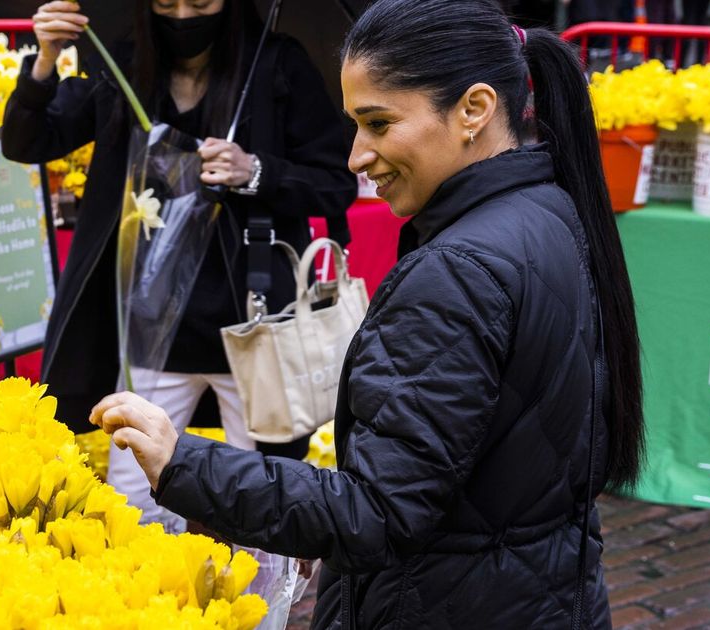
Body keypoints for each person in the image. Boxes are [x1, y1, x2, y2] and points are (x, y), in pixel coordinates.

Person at [88, 0, 646, 626]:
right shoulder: (552, 210)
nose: (356, 156)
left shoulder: (461, 270)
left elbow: (376, 512)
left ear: (474, 110)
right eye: (356, 125)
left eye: (379, 124)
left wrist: (181, 461)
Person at [1, 0, 356, 530]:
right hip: (151, 325)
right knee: (134, 499)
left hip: (254, 325)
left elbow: (336, 183)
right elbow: (26, 141)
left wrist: (256, 171)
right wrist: (46, 59)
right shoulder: (123, 65)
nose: (184, 16)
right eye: (167, 3)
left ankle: (261, 611)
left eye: (204, 3)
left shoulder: (276, 64)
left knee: (263, 494)